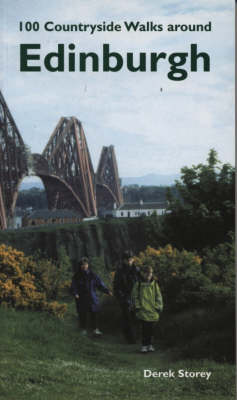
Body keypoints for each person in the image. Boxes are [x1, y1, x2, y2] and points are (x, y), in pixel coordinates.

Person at [71, 257, 112, 336]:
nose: (84, 266)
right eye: (82, 265)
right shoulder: (76, 276)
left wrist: (107, 291)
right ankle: (83, 329)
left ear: (88, 265)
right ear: (80, 266)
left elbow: (100, 284)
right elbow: (73, 286)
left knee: (94, 313)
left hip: (92, 297)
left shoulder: (92, 275)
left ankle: (95, 330)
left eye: (85, 264)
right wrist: (75, 293)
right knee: (83, 314)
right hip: (81, 298)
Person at [132, 265, 163, 353]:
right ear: (143, 274)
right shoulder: (138, 284)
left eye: (150, 273)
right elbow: (135, 296)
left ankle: (150, 345)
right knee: (145, 329)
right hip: (143, 311)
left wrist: (158, 307)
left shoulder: (155, 284)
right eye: (147, 273)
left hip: (153, 311)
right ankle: (144, 345)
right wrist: (137, 306)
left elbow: (158, 296)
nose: (149, 275)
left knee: (151, 330)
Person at [113, 250, 140, 344]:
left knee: (136, 317)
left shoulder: (137, 270)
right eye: (127, 259)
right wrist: (122, 298)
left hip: (136, 297)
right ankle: (130, 339)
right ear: (123, 260)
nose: (129, 261)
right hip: (125, 297)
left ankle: (135, 337)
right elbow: (116, 286)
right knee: (127, 318)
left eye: (131, 259)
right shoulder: (119, 271)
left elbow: (142, 283)